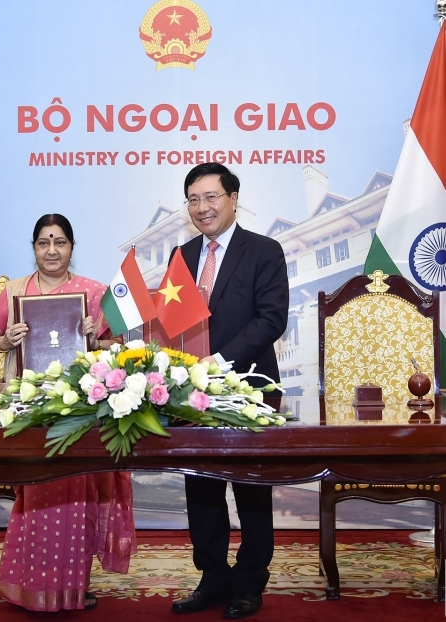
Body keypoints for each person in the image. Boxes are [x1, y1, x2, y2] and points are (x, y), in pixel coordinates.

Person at [0, 213, 136, 612]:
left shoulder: (94, 292)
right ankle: (31, 584)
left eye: (60, 242)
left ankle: (73, 586)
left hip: (80, 411)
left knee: (76, 497)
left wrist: (94, 340)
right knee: (36, 494)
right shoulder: (14, 291)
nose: (52, 250)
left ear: (71, 247)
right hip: (29, 407)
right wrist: (6, 341)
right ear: (34, 247)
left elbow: (119, 344)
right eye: (43, 242)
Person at [171, 163, 289, 619]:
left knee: (251, 490)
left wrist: (218, 362)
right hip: (193, 394)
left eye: (211, 197)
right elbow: (172, 322)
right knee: (201, 489)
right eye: (194, 199)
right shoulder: (181, 256)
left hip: (250, 388)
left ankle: (250, 583)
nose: (202, 207)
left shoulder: (264, 250)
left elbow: (271, 319)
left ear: (233, 198)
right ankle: (213, 578)